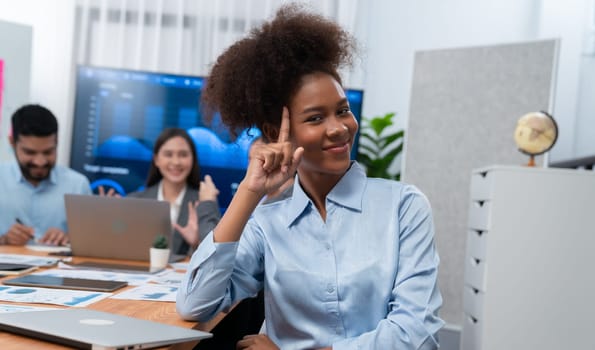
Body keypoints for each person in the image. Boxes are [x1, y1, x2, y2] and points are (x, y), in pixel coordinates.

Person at [177, 4, 443, 349]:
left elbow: (417, 334)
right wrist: (249, 191)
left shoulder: (403, 207)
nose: (339, 129)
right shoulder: (267, 222)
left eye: (343, 111)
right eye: (316, 118)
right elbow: (194, 303)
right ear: (278, 132)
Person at [0, 104, 92, 246]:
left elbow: (91, 243)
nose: (40, 161)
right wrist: (4, 240)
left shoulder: (78, 185)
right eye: (30, 152)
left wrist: (69, 239)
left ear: (57, 143)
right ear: (12, 143)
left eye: (48, 152)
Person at [128, 127, 220, 256]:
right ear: (156, 159)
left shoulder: (204, 204)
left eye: (183, 155)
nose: (176, 162)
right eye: (168, 154)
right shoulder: (134, 201)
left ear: (192, 159)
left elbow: (218, 258)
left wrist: (196, 243)